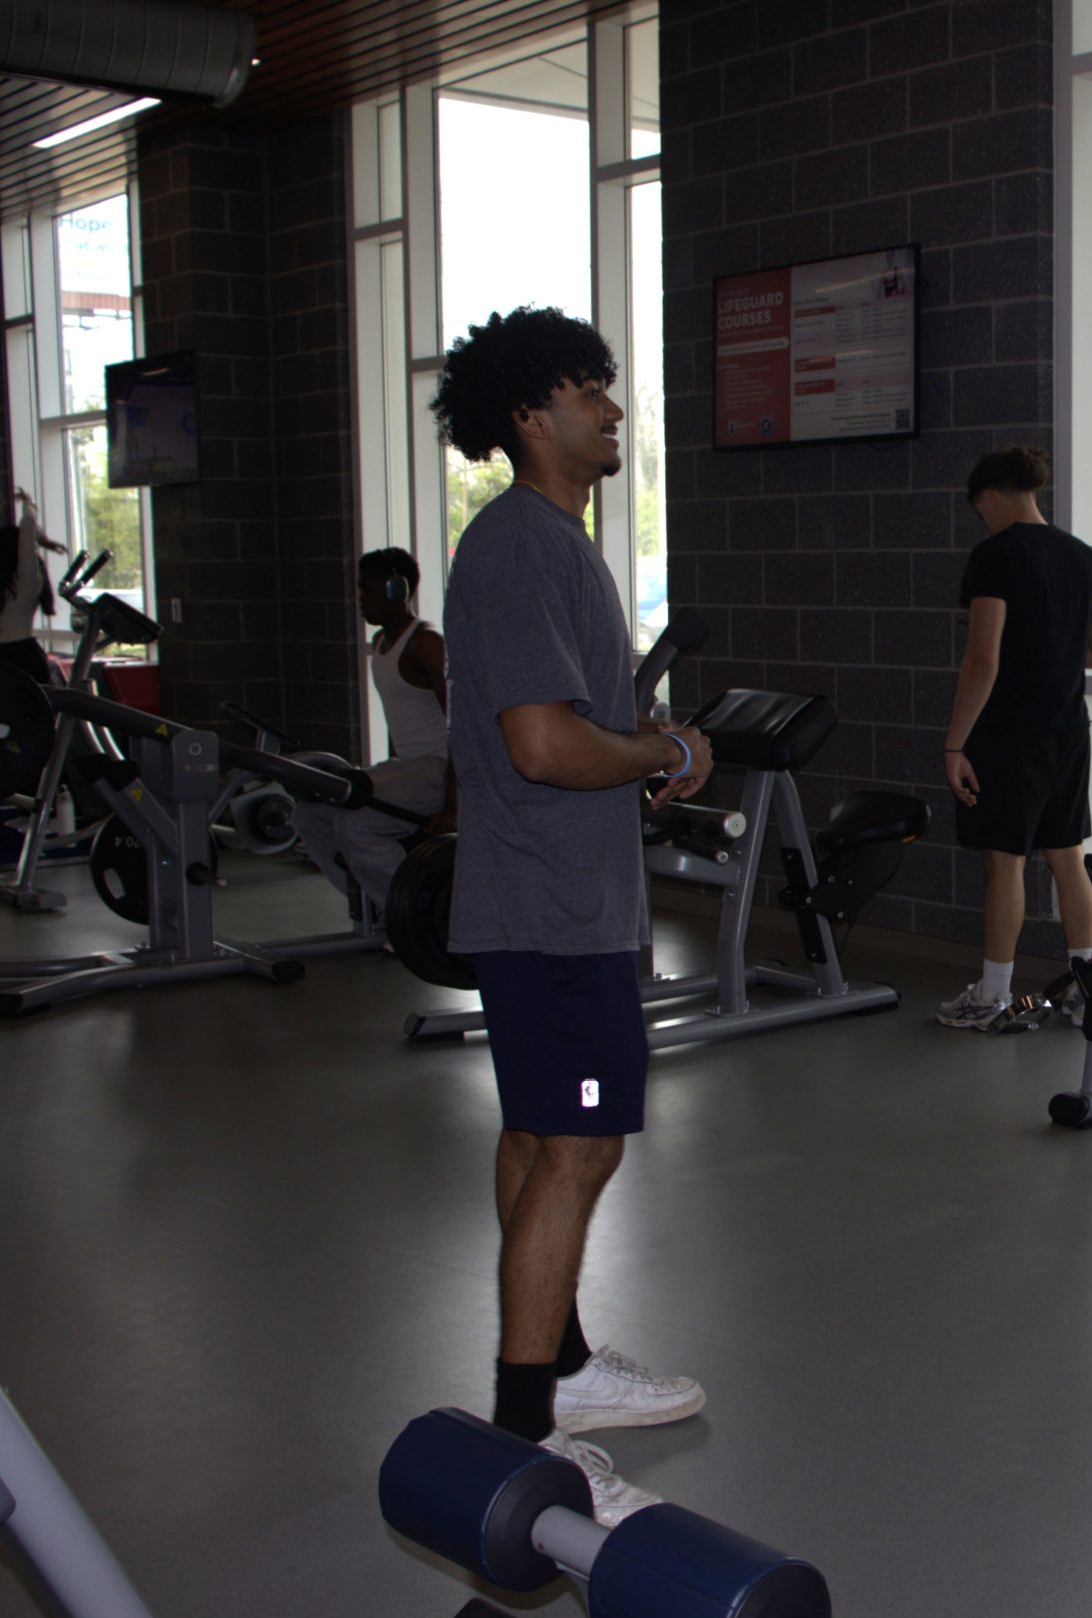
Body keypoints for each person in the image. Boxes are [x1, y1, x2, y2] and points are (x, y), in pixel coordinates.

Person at [430, 305, 713, 1526]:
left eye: (608, 387)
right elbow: (543, 746)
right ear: (526, 414)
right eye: (587, 389)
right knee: (581, 1148)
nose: (611, 408)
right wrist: (660, 747)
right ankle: (525, 1431)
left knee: (543, 1136)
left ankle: (566, 1365)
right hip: (551, 906)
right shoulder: (523, 547)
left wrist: (646, 747)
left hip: (555, 898)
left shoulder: (549, 541)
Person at [937, 446, 1092, 1031]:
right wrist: (1055, 651)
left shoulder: (996, 555)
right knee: (1068, 861)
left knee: (1005, 865)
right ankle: (1087, 990)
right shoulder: (1086, 557)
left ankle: (992, 996)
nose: (982, 519)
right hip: (1066, 730)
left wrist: (953, 745)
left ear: (990, 498)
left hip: (1008, 734)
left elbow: (982, 661)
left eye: (979, 510)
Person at [290, 547, 453, 915]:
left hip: (439, 770)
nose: (361, 600)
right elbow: (404, 724)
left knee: (356, 826)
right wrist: (387, 771)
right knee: (308, 815)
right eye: (360, 590)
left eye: (369, 590)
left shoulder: (427, 643)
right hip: (410, 768)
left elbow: (462, 728)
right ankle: (371, 908)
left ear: (399, 589)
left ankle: (415, 920)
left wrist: (455, 805)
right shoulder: (381, 645)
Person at [0, 488, 65, 686]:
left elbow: (27, 525)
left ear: (7, 549)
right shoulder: (7, 580)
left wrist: (28, 503)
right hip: (0, 654)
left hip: (22, 656)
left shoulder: (27, 579)